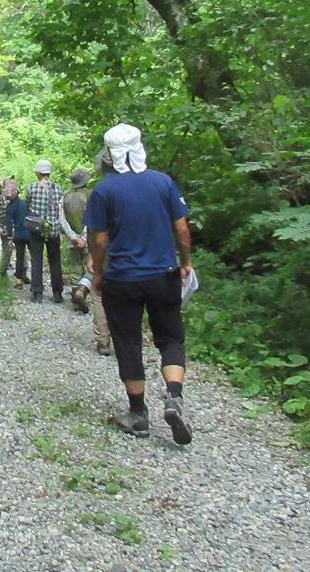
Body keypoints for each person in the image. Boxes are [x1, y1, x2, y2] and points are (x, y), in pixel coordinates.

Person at [85, 124, 194, 444]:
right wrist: (185, 262)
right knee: (171, 337)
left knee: (128, 343)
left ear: (108, 153)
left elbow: (100, 239)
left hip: (123, 279)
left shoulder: (104, 190)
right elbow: (183, 230)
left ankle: (138, 414)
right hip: (163, 275)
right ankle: (174, 398)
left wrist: (99, 272)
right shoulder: (163, 182)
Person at [65, 166, 112, 357]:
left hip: (71, 238)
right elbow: (92, 222)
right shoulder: (91, 194)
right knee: (92, 269)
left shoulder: (66, 196)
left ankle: (77, 298)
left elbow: (62, 218)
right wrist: (83, 237)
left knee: (77, 269)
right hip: (89, 239)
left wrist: (71, 235)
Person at [25, 159, 82, 303]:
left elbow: (27, 205)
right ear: (49, 172)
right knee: (55, 261)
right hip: (54, 229)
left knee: (36, 260)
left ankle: (37, 292)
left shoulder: (31, 188)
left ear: (38, 172)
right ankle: (57, 293)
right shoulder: (58, 188)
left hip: (36, 229)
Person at [1, 176, 31, 289]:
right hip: (29, 233)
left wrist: (10, 238)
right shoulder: (25, 203)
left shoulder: (9, 208)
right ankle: (29, 277)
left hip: (18, 235)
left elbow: (9, 225)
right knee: (32, 256)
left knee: (19, 256)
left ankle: (18, 281)